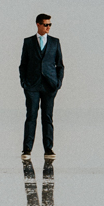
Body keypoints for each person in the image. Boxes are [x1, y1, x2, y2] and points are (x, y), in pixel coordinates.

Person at [18, 14, 64, 159]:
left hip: (50, 85)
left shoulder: (55, 42)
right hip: (32, 85)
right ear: (38, 24)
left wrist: (58, 83)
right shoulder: (28, 42)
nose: (48, 27)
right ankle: (27, 149)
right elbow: (23, 65)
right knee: (31, 116)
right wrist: (24, 83)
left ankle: (48, 149)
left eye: (50, 24)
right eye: (45, 24)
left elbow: (60, 65)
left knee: (47, 117)